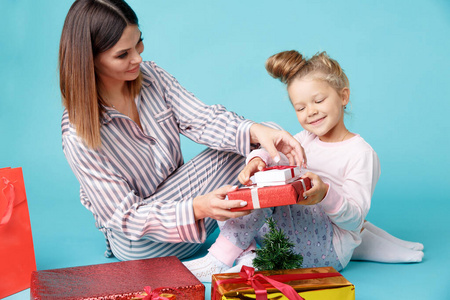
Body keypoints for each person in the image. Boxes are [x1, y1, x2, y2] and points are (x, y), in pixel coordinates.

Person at [59, 0, 306, 261]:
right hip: (140, 245)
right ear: (90, 60)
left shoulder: (151, 76)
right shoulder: (76, 133)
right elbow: (126, 217)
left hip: (182, 201)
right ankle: (243, 243)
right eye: (123, 54)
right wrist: (198, 208)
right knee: (262, 144)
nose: (138, 58)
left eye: (139, 43)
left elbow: (203, 120)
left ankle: (262, 236)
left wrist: (256, 131)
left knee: (268, 138)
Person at [184, 50, 424, 281]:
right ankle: (249, 258)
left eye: (318, 100)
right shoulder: (304, 139)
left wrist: (324, 194)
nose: (311, 112)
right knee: (233, 197)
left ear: (343, 96)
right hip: (284, 240)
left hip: (325, 252)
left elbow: (355, 220)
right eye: (300, 108)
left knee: (269, 194)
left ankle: (219, 258)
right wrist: (257, 161)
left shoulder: (361, 154)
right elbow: (275, 155)